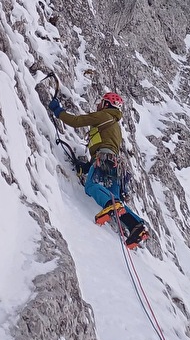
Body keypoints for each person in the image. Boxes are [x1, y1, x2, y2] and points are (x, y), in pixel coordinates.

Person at [48, 90, 149, 248]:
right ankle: (136, 226)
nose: (98, 105)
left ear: (107, 104)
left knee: (91, 186)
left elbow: (77, 121)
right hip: (116, 164)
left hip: (103, 159)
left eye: (101, 102)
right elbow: (106, 144)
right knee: (116, 198)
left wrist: (58, 111)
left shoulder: (104, 115)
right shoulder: (115, 124)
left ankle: (110, 204)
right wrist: (87, 166)